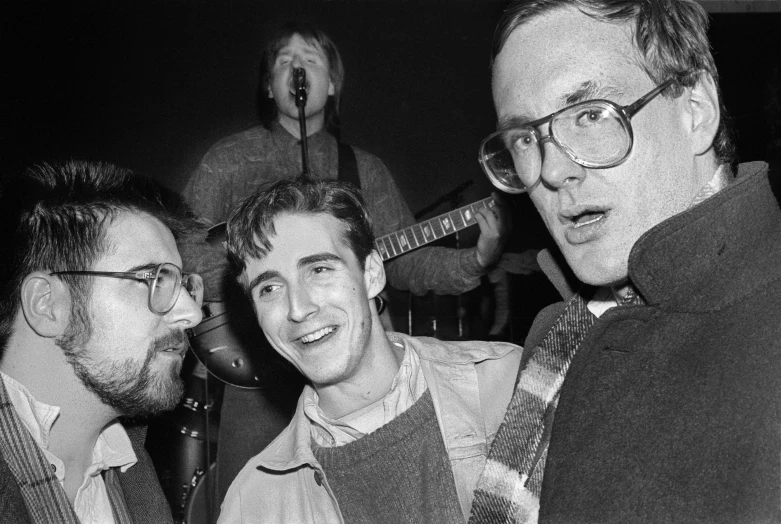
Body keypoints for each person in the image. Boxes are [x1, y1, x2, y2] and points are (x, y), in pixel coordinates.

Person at [468, 1, 781, 523]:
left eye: (591, 115)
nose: (553, 170)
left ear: (696, 110)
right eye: (525, 138)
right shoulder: (559, 337)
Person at [180, 20, 510, 505]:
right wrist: (245, 287)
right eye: (283, 62)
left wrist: (477, 258)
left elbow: (405, 260)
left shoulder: (365, 169)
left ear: (332, 84)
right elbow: (185, 248)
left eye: (310, 59)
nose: (297, 68)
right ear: (270, 88)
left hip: (360, 367)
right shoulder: (227, 160)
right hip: (256, 369)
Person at [216, 177, 522, 523]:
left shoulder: (511, 387)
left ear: (372, 274)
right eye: (269, 288)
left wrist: (476, 260)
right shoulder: (253, 505)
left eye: (319, 269)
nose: (297, 309)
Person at [0, 161, 204, 523]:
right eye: (152, 279)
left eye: (182, 284)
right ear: (47, 305)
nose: (191, 313)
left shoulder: (132, 468)